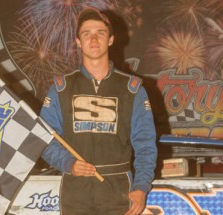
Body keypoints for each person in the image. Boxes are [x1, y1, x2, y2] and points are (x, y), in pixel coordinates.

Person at [40, 7, 157, 215]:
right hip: (75, 194)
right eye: (86, 34)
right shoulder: (61, 88)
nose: (93, 39)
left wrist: (141, 187)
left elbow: (145, 144)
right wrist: (68, 163)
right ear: (78, 42)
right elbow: (44, 138)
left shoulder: (133, 89)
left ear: (110, 39)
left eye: (100, 33)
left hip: (119, 194)